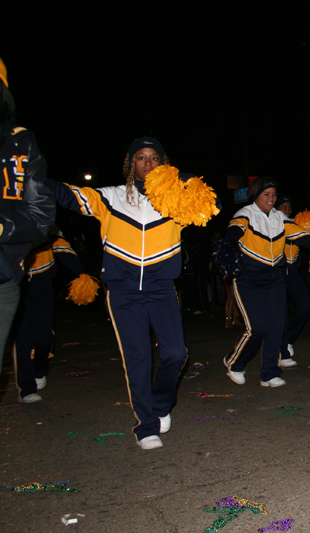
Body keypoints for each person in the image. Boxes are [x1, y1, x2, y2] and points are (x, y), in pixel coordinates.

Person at [46, 137, 198, 450]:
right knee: (138, 358)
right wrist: (29, 175)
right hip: (124, 291)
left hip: (161, 289)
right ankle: (146, 426)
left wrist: (178, 178)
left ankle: (160, 404)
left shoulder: (176, 203)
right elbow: (67, 194)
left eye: (155, 158)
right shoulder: (112, 198)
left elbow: (214, 206)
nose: (148, 163)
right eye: (141, 158)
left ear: (164, 163)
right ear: (131, 164)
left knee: (176, 353)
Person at [222, 178, 310, 387]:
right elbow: (234, 232)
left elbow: (302, 236)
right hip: (248, 278)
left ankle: (269, 373)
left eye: (273, 194)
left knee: (276, 326)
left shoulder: (280, 218)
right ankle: (235, 362)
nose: (271, 198)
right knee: (256, 328)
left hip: (274, 278)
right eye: (266, 194)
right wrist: (229, 244)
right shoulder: (245, 215)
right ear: (256, 195)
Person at [0, 57, 56, 375]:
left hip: (13, 271)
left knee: (39, 334)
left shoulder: (21, 141)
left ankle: (31, 379)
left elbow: (41, 218)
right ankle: (27, 383)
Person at [13, 231, 86, 402]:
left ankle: (39, 370)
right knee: (22, 338)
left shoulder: (43, 214)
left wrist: (81, 272)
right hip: (15, 281)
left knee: (45, 337)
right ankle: (26, 389)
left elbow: (61, 246)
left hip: (41, 283)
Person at [275, 195, 310, 367]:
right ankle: (282, 353)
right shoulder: (274, 225)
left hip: (294, 272)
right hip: (278, 272)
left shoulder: (296, 226)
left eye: (289, 207)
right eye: (283, 207)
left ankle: (287, 338)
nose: (287, 210)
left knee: (305, 306)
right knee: (281, 313)